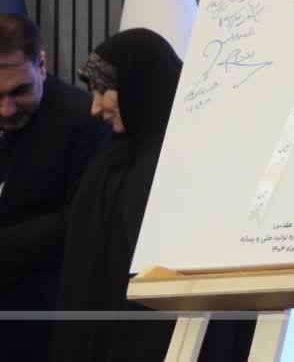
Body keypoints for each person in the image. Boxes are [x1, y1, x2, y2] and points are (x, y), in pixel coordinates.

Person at [50, 28, 250, 362]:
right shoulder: (110, 162)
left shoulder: (188, 162)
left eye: (103, 90)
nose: (95, 108)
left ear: (139, 85)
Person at [0, 14, 108, 361]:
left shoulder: (84, 121)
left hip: (45, 320)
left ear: (41, 66)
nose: (6, 109)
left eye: (20, 91)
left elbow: (80, 219)